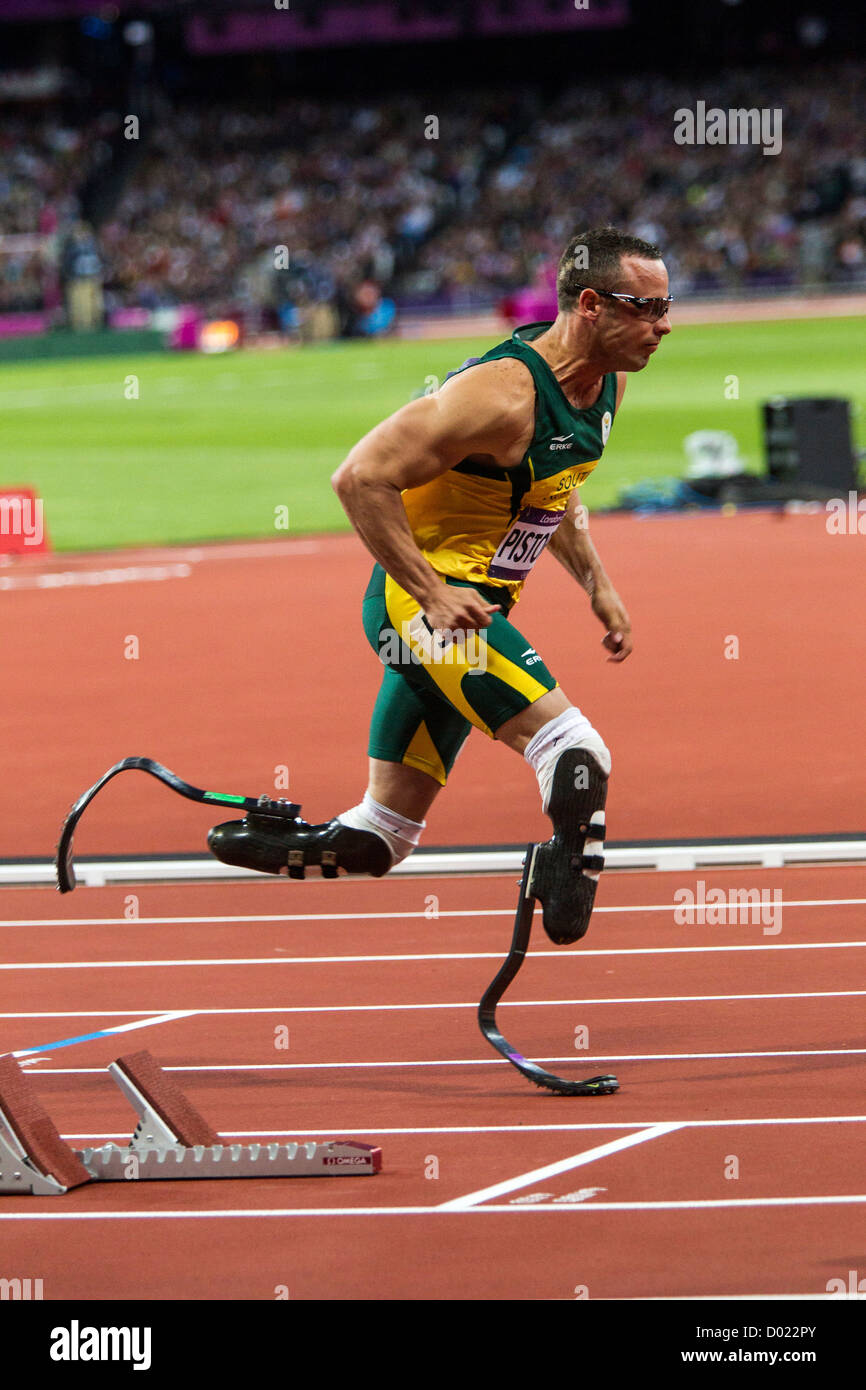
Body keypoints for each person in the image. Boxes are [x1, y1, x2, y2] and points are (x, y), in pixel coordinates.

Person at [208, 226, 672, 943]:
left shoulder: (602, 385)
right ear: (590, 305)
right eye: (645, 307)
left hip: (472, 615)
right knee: (576, 753)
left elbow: (557, 491)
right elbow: (359, 476)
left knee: (379, 838)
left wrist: (596, 584)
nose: (663, 324)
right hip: (422, 615)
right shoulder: (500, 395)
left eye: (666, 306)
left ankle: (253, 837)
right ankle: (560, 883)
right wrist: (428, 592)